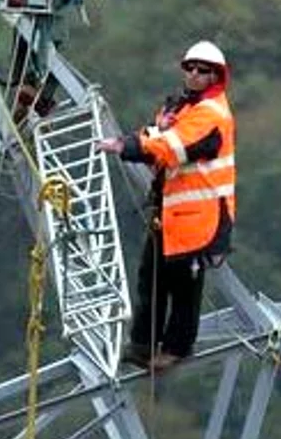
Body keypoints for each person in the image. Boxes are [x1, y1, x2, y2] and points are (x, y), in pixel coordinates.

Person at [96, 40, 236, 374]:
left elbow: (169, 148)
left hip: (199, 221)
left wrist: (125, 146)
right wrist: (134, 140)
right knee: (152, 279)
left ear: (215, 77)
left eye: (203, 71)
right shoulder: (181, 108)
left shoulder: (210, 115)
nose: (194, 75)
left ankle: (175, 348)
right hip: (171, 215)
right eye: (190, 68)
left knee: (184, 290)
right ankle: (143, 345)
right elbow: (156, 133)